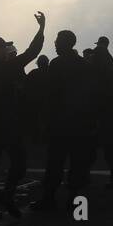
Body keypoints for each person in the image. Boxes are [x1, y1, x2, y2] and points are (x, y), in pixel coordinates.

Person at [0, 11, 46, 223]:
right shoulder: (8, 67)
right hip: (7, 126)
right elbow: (32, 52)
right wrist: (41, 29)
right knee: (19, 163)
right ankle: (7, 194)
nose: (8, 49)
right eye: (5, 47)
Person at [32, 29, 94, 212]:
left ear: (65, 43)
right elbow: (90, 95)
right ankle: (74, 200)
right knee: (77, 163)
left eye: (57, 41)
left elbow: (50, 95)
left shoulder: (57, 64)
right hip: (80, 123)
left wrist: (45, 121)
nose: (55, 43)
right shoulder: (84, 65)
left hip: (60, 122)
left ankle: (49, 199)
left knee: (54, 163)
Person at [90, 35, 113, 184]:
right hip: (108, 108)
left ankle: (84, 174)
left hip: (97, 107)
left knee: (90, 143)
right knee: (109, 144)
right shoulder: (110, 62)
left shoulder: (96, 59)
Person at [23, 53, 50, 143]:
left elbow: (26, 86)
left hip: (35, 102)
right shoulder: (52, 72)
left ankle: (37, 138)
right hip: (49, 101)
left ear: (38, 63)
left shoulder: (33, 73)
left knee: (36, 121)